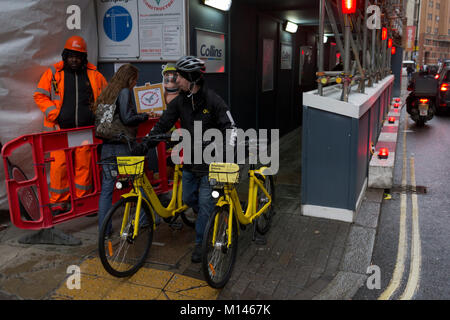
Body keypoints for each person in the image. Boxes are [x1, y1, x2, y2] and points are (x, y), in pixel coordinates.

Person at [132, 56, 237, 263]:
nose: (175, 80)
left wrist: (226, 151)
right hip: (189, 162)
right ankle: (209, 219)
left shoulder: (213, 100)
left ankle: (201, 242)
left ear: (191, 78)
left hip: (211, 164)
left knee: (206, 205)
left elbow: (231, 127)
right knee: (189, 199)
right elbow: (162, 125)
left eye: (179, 76)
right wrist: (145, 144)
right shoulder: (180, 101)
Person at [34, 35, 107, 215]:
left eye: (78, 56)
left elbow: (106, 98)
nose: (74, 59)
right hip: (60, 130)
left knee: (85, 165)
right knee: (60, 166)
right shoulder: (53, 73)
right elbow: (39, 95)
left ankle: (83, 201)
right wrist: (55, 113)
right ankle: (59, 203)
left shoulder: (95, 75)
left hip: (85, 130)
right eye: (71, 55)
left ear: (83, 58)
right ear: (65, 56)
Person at [94, 64, 150, 233]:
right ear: (130, 79)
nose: (135, 84)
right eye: (135, 81)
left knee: (106, 188)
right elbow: (127, 118)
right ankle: (144, 219)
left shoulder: (107, 92)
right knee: (138, 181)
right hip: (122, 146)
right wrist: (144, 116)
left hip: (107, 147)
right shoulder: (124, 92)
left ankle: (104, 229)